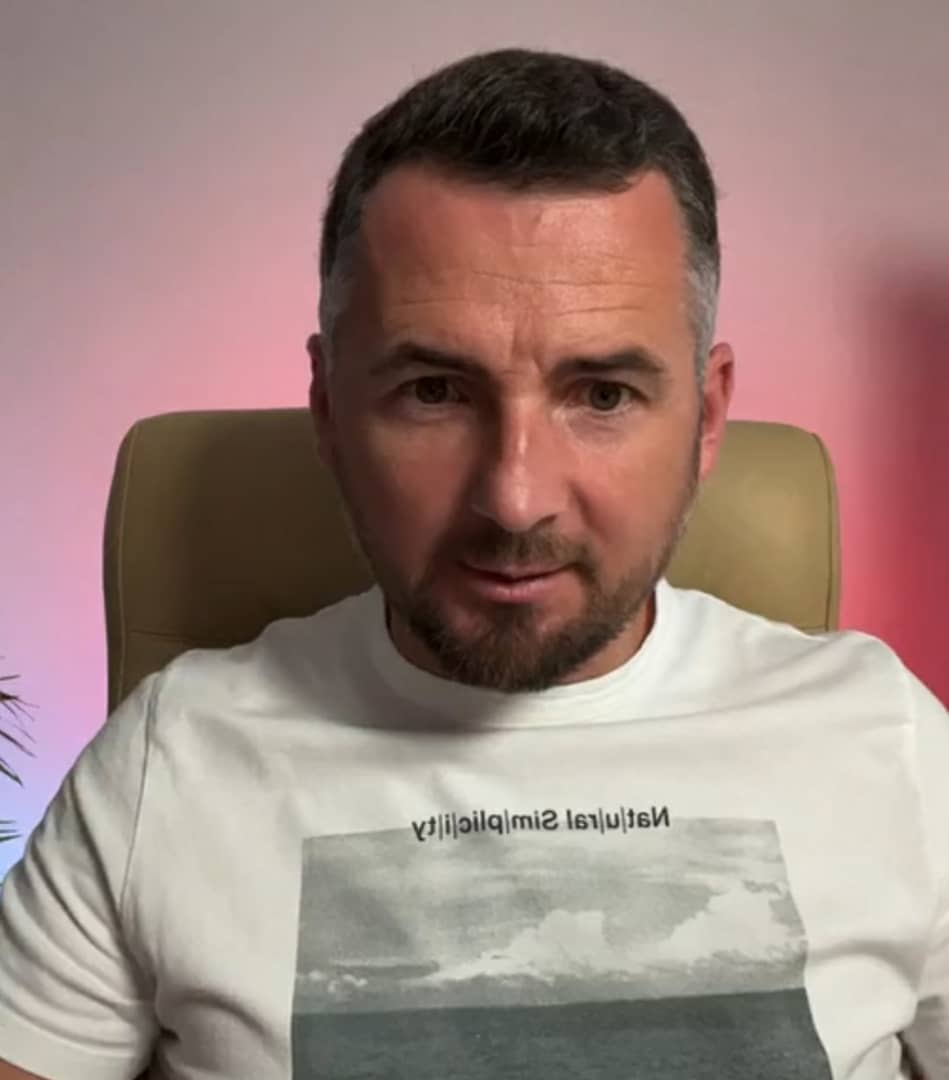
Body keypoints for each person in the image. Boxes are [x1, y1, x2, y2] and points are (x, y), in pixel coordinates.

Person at [0, 47, 946, 1080]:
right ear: (329, 410)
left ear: (707, 417)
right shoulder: (172, 757)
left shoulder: (886, 739)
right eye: (434, 392)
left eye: (603, 395)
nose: (515, 496)